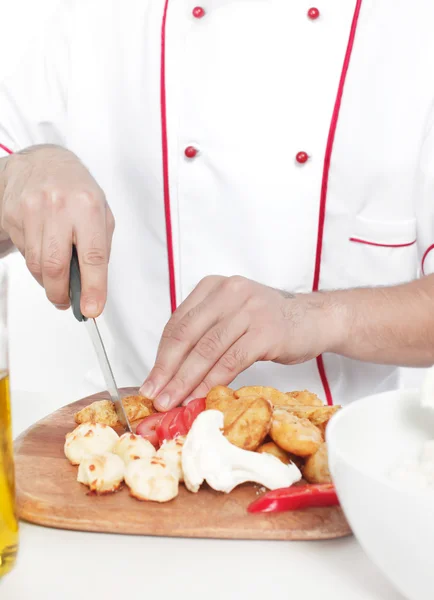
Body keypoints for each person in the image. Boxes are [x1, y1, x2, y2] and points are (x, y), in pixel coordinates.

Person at [1, 0, 434, 412]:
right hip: (138, 448)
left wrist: (315, 317)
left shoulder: (413, 29)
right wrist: (16, 179)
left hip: (340, 462)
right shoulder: (97, 18)